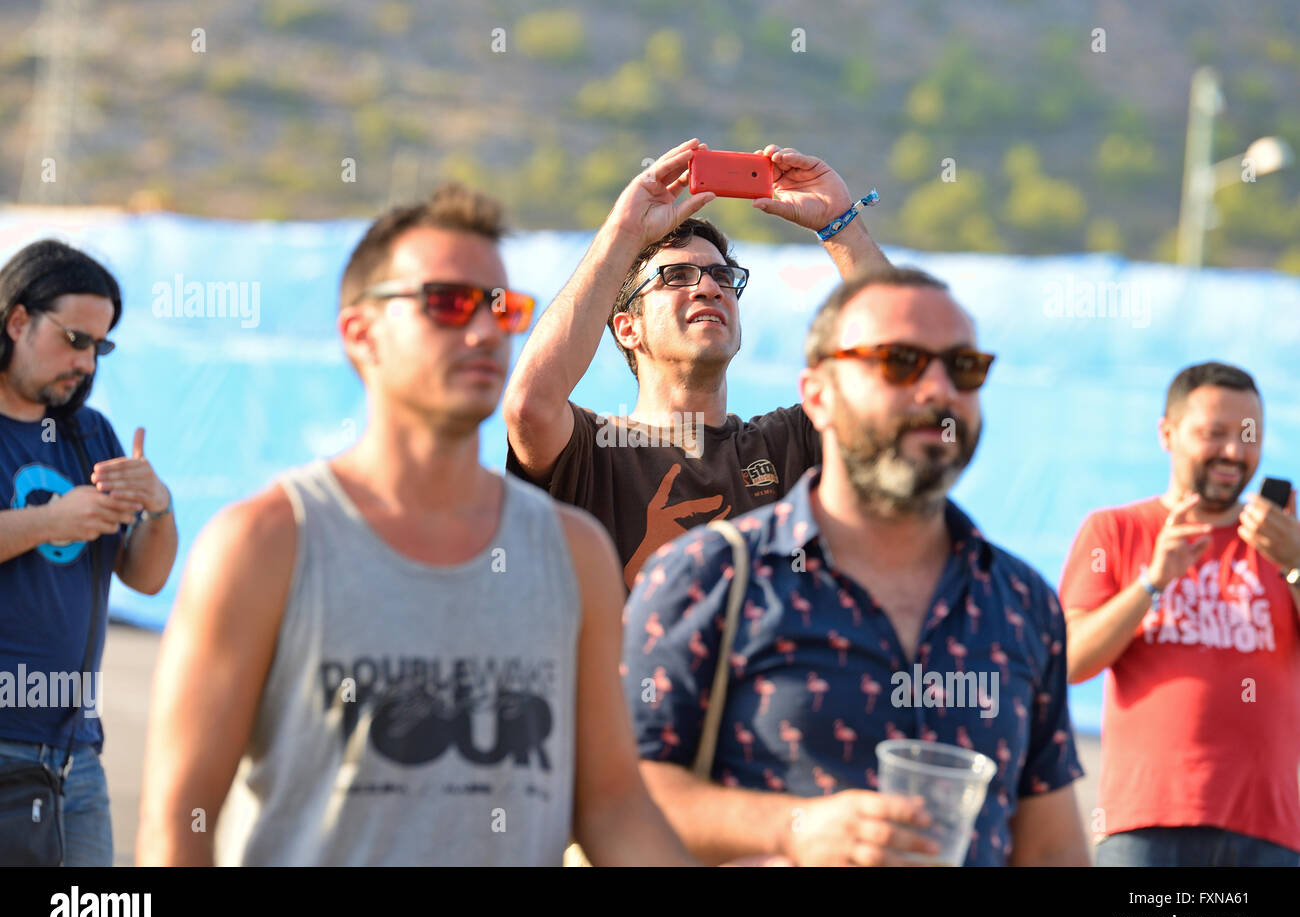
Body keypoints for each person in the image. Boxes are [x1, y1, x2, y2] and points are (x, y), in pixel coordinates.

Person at [136, 184, 696, 866]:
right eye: (448, 303)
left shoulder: (574, 552)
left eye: (501, 307)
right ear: (361, 334)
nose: (485, 331)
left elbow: (612, 808)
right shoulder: (265, 544)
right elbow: (178, 824)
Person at [621, 266, 1090, 866]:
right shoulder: (710, 577)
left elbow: (1051, 847)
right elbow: (625, 801)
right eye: (900, 362)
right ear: (818, 396)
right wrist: (790, 829)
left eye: (963, 367)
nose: (938, 390)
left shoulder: (1022, 601)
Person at [504, 138, 891, 588]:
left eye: (723, 277)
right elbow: (530, 406)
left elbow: (902, 372)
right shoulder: (595, 452)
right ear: (627, 328)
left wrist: (842, 226)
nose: (709, 289)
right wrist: (624, 233)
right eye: (677, 277)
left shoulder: (787, 446)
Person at [1060, 361, 1300, 866]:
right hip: (1144, 825)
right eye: (1214, 433)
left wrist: (1295, 565)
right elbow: (1069, 661)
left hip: (1270, 830)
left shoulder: (1283, 542)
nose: (1233, 452)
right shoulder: (1115, 530)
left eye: (1248, 435)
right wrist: (1152, 582)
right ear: (1167, 434)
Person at [0, 239, 177, 866]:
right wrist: (48, 521)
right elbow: (51, 524)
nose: (86, 363)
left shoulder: (89, 431)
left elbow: (146, 578)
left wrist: (157, 505)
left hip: (75, 757)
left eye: (100, 348)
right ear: (17, 321)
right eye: (74, 340)